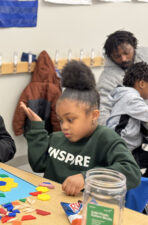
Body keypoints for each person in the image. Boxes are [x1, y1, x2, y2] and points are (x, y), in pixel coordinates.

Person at [20, 60, 141, 196]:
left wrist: (86, 177)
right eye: (61, 120)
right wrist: (37, 129)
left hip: (88, 209)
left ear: (94, 115)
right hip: (52, 205)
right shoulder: (58, 137)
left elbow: (132, 173)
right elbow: (38, 165)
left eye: (70, 119)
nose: (64, 126)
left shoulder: (106, 138)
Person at [97, 30, 148, 125]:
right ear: (110, 56)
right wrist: (112, 137)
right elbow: (103, 111)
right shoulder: (107, 80)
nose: (123, 59)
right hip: (132, 131)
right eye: (117, 56)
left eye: (126, 53)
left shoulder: (146, 56)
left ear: (134, 47)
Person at [107, 62, 148, 177]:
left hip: (123, 147)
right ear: (141, 83)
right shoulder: (131, 98)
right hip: (121, 149)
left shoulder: (124, 95)